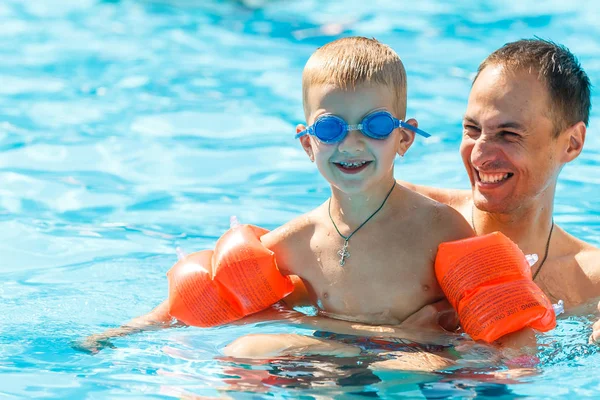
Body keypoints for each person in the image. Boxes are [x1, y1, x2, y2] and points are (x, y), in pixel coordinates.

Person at [76, 37, 474, 356]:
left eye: (375, 125)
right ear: (307, 144)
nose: (352, 143)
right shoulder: (300, 240)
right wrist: (119, 334)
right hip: (332, 356)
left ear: (403, 138)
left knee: (408, 370)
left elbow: (491, 324)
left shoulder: (440, 228)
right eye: (331, 128)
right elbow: (209, 295)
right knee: (244, 350)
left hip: (418, 361)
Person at [398, 39, 600, 341]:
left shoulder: (591, 283)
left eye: (508, 134)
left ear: (572, 143)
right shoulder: (399, 216)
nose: (479, 156)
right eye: (472, 130)